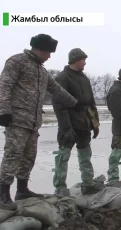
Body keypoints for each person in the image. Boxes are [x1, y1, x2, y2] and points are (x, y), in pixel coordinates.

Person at [0, 34, 78, 210]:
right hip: (17, 120)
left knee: (29, 157)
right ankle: (3, 194)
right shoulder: (17, 62)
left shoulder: (42, 71)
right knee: (13, 156)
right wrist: (4, 110)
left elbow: (56, 88)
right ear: (39, 49)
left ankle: (22, 189)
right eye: (48, 52)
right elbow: (4, 85)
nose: (49, 56)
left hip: (34, 123)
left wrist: (74, 103)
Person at [52, 48, 105, 197]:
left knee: (85, 154)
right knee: (63, 156)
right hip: (69, 123)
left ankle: (87, 183)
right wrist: (66, 128)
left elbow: (91, 103)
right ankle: (60, 186)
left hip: (84, 123)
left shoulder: (84, 78)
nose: (85, 63)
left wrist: (95, 124)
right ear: (75, 60)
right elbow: (59, 105)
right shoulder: (62, 77)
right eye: (83, 60)